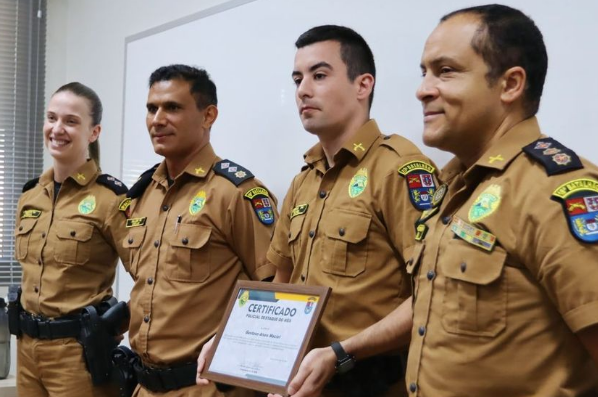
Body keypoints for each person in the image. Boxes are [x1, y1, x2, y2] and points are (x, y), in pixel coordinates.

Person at [197, 25, 437, 397]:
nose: (303, 90)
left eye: (319, 75)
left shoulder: (399, 170)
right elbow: (281, 284)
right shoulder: (303, 181)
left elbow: (432, 295)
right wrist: (231, 340)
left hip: (371, 383)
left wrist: (342, 353)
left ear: (363, 85)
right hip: (302, 385)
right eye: (297, 79)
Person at [406, 4, 598, 395]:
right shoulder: (457, 183)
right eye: (424, 71)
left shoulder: (553, 189)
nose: (423, 89)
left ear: (510, 84)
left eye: (446, 71)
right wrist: (344, 350)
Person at [123, 64, 277, 396]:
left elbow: (275, 293)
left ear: (208, 116)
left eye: (172, 108)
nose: (157, 119)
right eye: (152, 108)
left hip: (206, 387)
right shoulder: (142, 195)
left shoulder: (236, 192)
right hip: (144, 385)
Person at [13, 82, 130, 396]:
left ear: (94, 132)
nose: (57, 129)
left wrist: (117, 327)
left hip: (77, 356)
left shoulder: (111, 198)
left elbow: (150, 275)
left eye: (71, 121)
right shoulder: (31, 196)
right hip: (26, 350)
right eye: (52, 118)